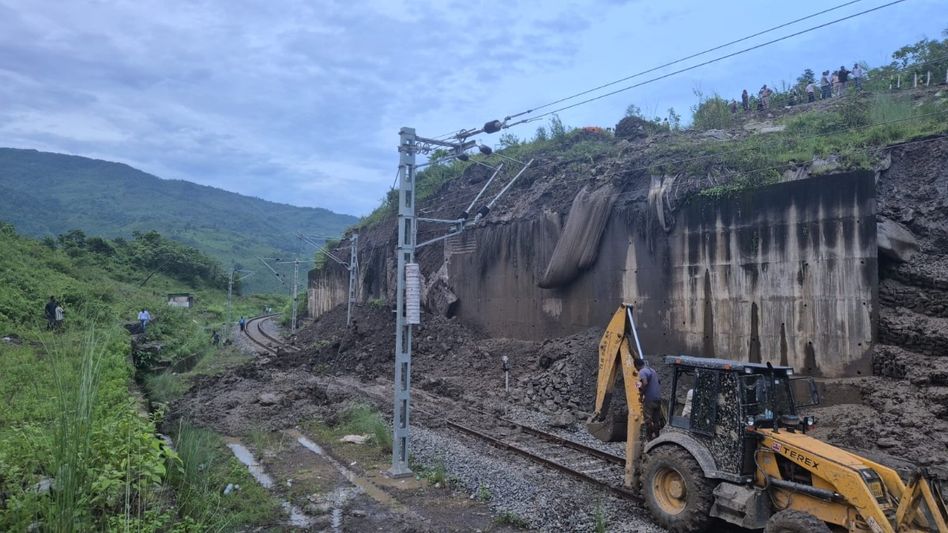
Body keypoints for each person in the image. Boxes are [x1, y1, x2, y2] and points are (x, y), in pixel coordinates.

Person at [634, 358, 663, 439]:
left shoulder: (642, 372)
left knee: (647, 420)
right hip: (658, 399)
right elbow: (659, 381)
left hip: (649, 400)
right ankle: (657, 437)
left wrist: (641, 394)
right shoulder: (652, 370)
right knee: (656, 420)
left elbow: (645, 382)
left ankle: (649, 438)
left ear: (636, 366)